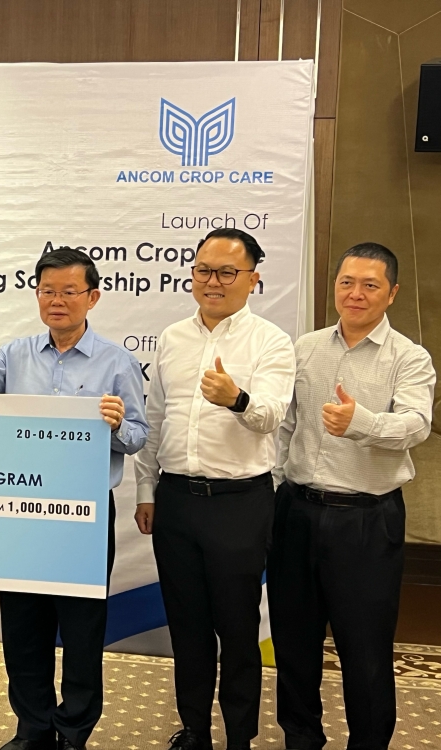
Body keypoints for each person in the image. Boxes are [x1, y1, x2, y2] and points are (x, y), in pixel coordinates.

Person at [0, 248, 148, 750]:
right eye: (47, 290)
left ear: (92, 297)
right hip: (19, 514)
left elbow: (139, 436)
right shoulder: (16, 354)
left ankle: (73, 730)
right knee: (23, 629)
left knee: (81, 633)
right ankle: (32, 727)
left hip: (84, 515)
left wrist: (117, 426)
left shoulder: (117, 361)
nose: (57, 301)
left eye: (69, 291)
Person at [133, 227, 295, 750]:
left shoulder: (271, 341)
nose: (213, 281)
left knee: (238, 632)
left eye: (227, 272)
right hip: (177, 501)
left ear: (253, 280)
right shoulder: (173, 338)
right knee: (188, 627)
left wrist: (237, 398)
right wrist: (146, 490)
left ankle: (240, 738)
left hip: (240, 505)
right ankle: (196, 731)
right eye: (204, 269)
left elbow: (270, 417)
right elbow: (154, 420)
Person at [269, 243, 435, 750]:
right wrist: (276, 487)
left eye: (370, 285)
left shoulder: (410, 357)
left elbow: (417, 424)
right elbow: (286, 427)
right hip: (297, 511)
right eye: (346, 282)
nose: (355, 293)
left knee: (364, 649)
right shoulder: (306, 347)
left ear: (391, 294)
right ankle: (300, 738)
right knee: (294, 644)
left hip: (366, 520)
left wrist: (359, 422)